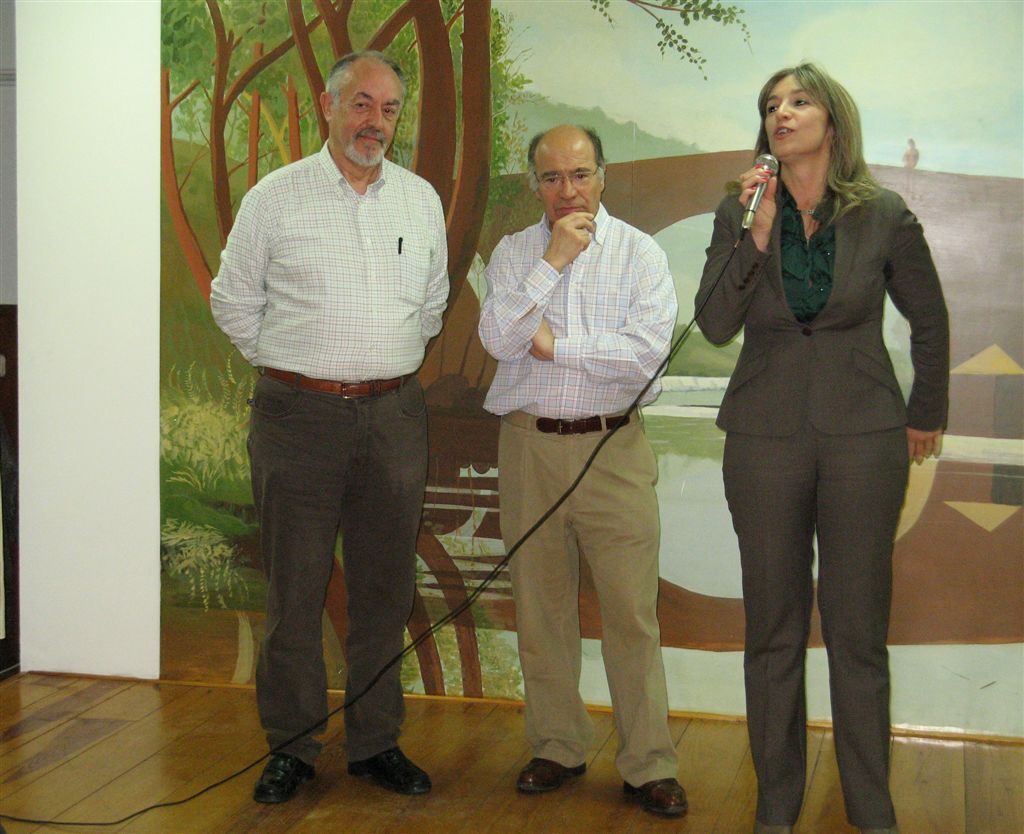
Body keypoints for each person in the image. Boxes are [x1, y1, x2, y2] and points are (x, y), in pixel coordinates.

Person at [695, 64, 949, 834]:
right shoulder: (740, 209)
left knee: (856, 631)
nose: (782, 112)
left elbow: (930, 319)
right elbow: (714, 323)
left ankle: (871, 806)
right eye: (771, 104)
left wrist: (926, 412)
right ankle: (777, 803)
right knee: (772, 629)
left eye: (799, 101)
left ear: (832, 119)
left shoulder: (884, 213)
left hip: (864, 438)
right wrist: (757, 232)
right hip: (763, 435)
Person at [210, 50, 448, 803]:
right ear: (328, 105)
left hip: (394, 416)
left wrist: (378, 364)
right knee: (296, 590)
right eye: (362, 104)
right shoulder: (275, 197)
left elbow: (433, 305)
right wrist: (293, 367)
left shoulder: (419, 201)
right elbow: (232, 300)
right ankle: (293, 747)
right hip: (298, 419)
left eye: (389, 109)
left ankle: (376, 743)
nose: (375, 121)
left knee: (384, 592)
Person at [478, 125, 687, 818]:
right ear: (534, 183)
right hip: (529, 448)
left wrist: (554, 345)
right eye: (551, 177)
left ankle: (649, 763)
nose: (567, 190)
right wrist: (554, 261)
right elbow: (498, 338)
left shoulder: (641, 255)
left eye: (580, 174)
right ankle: (557, 746)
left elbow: (644, 357)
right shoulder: (514, 254)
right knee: (539, 608)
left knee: (631, 613)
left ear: (604, 175)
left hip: (613, 450)